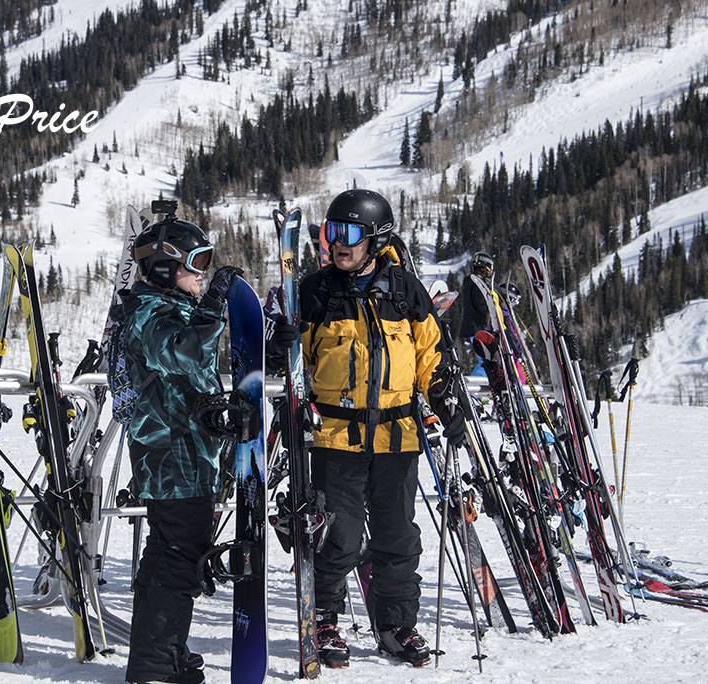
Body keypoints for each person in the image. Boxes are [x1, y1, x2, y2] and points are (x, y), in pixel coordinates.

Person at [269, 189, 465, 668]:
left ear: (375, 239)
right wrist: (282, 343)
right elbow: (285, 368)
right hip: (336, 437)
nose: (337, 244)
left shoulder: (404, 290)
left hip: (399, 438)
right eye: (330, 233)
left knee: (398, 537)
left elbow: (430, 354)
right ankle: (325, 619)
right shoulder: (314, 293)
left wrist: (446, 400)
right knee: (341, 535)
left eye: (349, 234)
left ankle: (396, 624)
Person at [118, 211, 241, 684]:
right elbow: (184, 352)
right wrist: (213, 307)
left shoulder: (170, 309)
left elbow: (196, 372)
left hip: (185, 457)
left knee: (166, 554)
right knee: (180, 560)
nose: (202, 272)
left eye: (206, 261)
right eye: (196, 261)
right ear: (167, 265)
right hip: (173, 461)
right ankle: (153, 666)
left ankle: (162, 653)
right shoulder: (151, 313)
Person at [459, 250, 499, 372]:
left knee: (486, 358)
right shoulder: (477, 283)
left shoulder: (470, 282)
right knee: (486, 359)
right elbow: (482, 304)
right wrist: (492, 309)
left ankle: (479, 385)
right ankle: (474, 386)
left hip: (474, 327)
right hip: (479, 327)